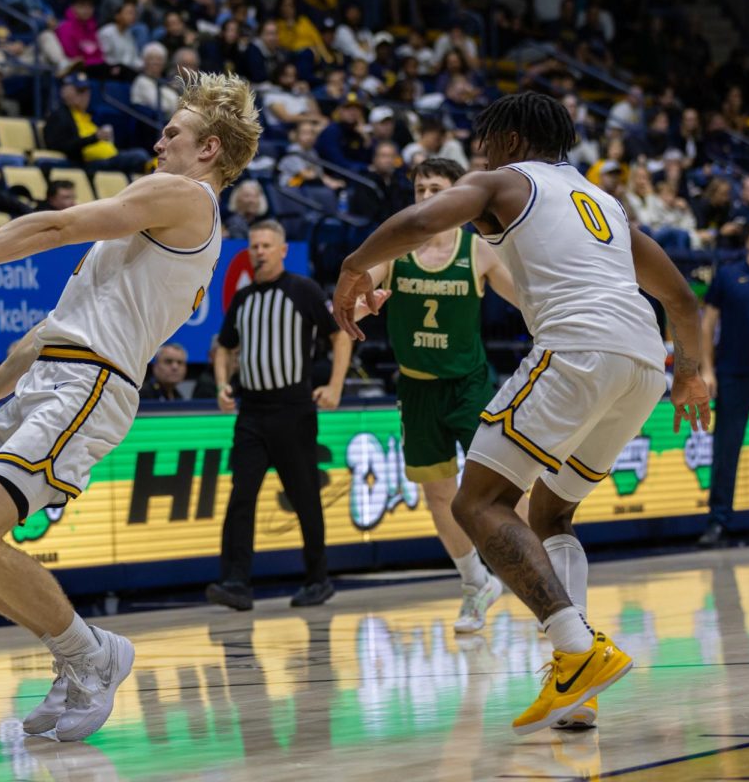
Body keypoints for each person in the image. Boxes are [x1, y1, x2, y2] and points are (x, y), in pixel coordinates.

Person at [0, 70, 261, 742]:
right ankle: (79, 652)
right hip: (53, 371)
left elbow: (59, 223)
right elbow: (46, 331)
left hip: (90, 384)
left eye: (173, 132)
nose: (159, 140)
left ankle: (90, 656)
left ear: (209, 150)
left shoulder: (186, 197)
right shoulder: (150, 227)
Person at [333, 91, 711, 735]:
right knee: (551, 511)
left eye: (485, 141)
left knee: (476, 504)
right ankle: (578, 685)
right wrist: (692, 373)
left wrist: (352, 264)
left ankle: (575, 645)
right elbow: (682, 298)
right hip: (644, 362)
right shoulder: (607, 204)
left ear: (509, 141)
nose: (480, 152)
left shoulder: (505, 181)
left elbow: (425, 221)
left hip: (578, 349)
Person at [353, 158, 528, 632]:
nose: (427, 197)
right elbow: (360, 288)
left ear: (458, 197)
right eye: (420, 189)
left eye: (437, 189)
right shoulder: (397, 247)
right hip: (416, 389)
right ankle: (476, 583)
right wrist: (362, 299)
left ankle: (541, 579)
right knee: (439, 496)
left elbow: (530, 306)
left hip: (468, 385)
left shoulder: (478, 251)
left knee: (505, 486)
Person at [206, 219, 351, 611]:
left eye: (267, 245)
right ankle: (236, 582)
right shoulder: (243, 298)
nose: (260, 252)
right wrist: (223, 384)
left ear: (283, 250)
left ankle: (318, 579)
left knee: (304, 496)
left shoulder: (302, 290)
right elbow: (224, 346)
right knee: (241, 497)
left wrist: (336, 386)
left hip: (293, 409)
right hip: (251, 411)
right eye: (254, 246)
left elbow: (340, 335)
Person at [697, 218, 749, 546]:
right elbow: (707, 324)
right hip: (733, 374)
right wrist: (707, 370)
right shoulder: (728, 275)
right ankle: (718, 521)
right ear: (747, 241)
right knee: (727, 450)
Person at [43, 73, 151, 173]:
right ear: (66, 92)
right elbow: (60, 145)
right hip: (88, 164)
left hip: (109, 158)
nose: (84, 96)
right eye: (79, 91)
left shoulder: (86, 115)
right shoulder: (60, 116)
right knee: (139, 155)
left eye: (87, 91)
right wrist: (95, 137)